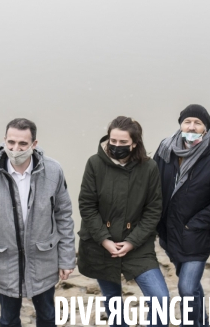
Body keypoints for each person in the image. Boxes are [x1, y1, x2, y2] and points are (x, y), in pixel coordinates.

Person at [0, 118, 76, 327]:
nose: (15, 149)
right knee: (8, 320)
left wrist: (66, 258)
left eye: (22, 144)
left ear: (34, 144)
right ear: (4, 140)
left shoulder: (53, 171)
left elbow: (64, 216)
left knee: (47, 316)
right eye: (10, 142)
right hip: (3, 262)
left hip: (43, 260)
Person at [77, 116, 169, 327]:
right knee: (113, 303)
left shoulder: (149, 168)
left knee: (161, 301)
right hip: (101, 245)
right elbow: (87, 206)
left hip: (137, 245)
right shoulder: (94, 163)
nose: (116, 146)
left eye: (123, 143)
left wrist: (132, 242)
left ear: (134, 143)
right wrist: (104, 240)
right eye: (113, 141)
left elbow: (153, 211)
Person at [154, 105, 210, 327]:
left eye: (198, 123)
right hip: (169, 232)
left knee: (186, 288)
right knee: (192, 286)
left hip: (196, 234)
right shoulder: (165, 149)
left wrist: (193, 225)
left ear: (206, 128)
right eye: (188, 122)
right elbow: (153, 185)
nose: (192, 127)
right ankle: (202, 323)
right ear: (180, 124)